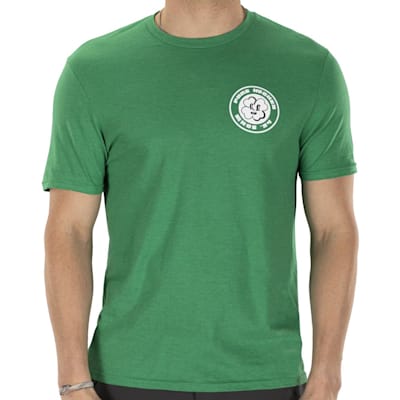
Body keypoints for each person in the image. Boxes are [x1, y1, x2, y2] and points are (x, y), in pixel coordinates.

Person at [42, 1, 359, 399]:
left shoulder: (309, 68)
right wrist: (73, 379)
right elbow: (69, 230)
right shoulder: (93, 71)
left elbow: (334, 230)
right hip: (129, 372)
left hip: (264, 373)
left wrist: (327, 375)